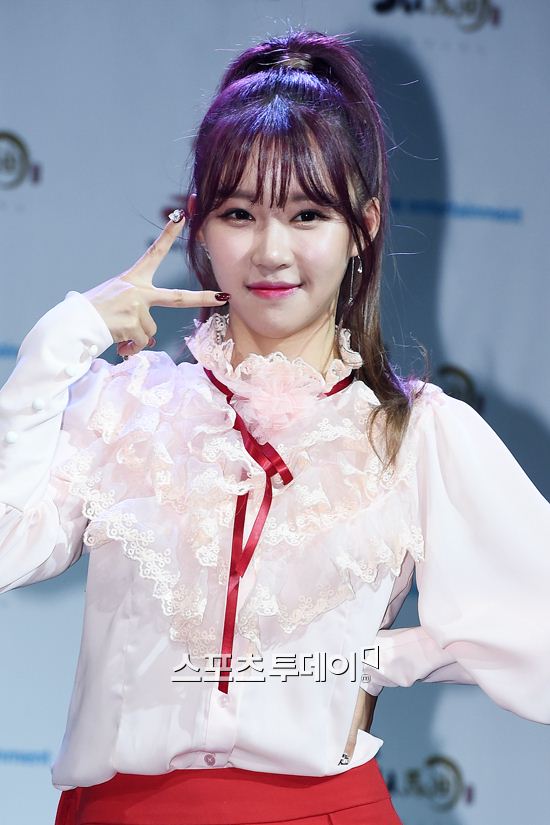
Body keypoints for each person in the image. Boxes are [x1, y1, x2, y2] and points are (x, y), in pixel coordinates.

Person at [1, 27, 549, 825]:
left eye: (306, 214)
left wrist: (381, 658)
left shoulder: (412, 433)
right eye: (240, 213)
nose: (270, 250)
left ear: (362, 227)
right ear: (199, 226)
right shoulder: (128, 409)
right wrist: (68, 333)